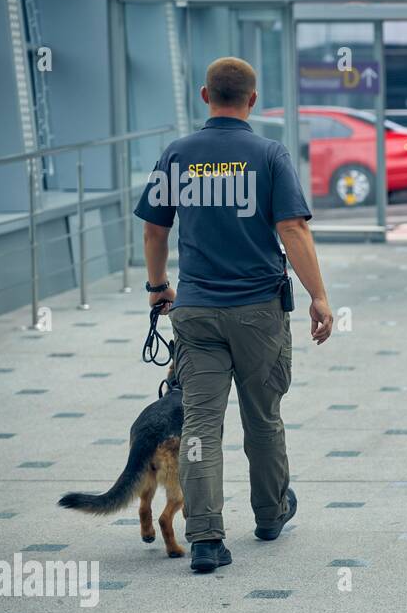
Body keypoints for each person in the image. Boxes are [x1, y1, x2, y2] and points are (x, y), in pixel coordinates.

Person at [135, 56, 333, 575]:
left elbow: (155, 231)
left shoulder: (177, 154)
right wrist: (319, 296)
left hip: (196, 311)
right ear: (252, 99)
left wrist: (158, 288)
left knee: (200, 426)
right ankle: (269, 515)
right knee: (263, 418)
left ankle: (204, 539)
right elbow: (293, 230)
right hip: (257, 313)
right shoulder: (269, 154)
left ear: (205, 96)